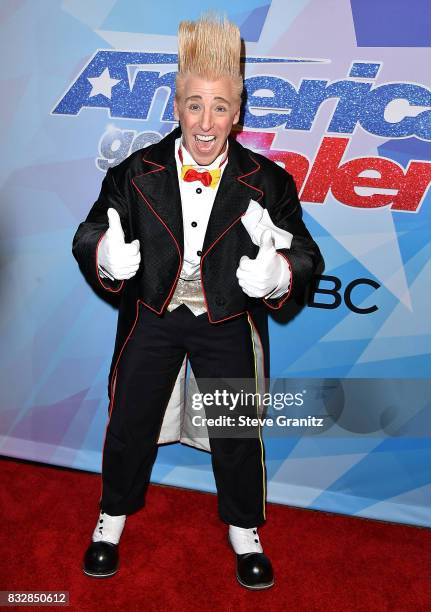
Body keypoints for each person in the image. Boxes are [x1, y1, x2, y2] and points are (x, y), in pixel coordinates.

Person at [72, 16, 322, 590]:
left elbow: (306, 254)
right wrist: (105, 253)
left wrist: (278, 272)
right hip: (153, 313)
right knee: (129, 421)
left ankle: (243, 527)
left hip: (227, 315)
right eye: (193, 105)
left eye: (218, 108)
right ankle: (111, 517)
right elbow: (88, 231)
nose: (205, 123)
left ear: (238, 114)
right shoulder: (136, 172)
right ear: (177, 109)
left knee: (236, 429)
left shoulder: (271, 182)